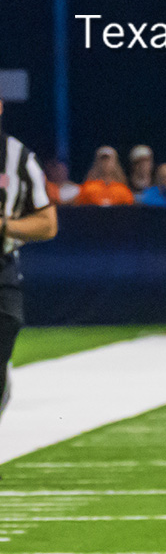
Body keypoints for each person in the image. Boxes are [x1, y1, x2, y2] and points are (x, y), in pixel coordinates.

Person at [0, 98, 58, 423]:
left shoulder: (18, 157)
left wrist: (5, 226)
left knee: (5, 330)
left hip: (1, 265)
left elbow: (48, 224)